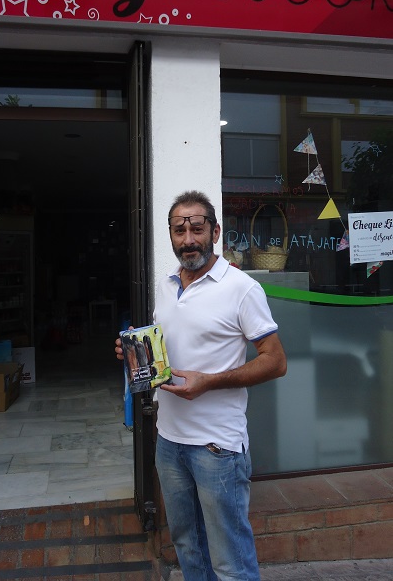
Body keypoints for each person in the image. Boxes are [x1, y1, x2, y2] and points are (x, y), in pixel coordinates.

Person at [115, 190, 287, 581]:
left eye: (196, 228)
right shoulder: (165, 285)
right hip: (169, 442)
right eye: (179, 229)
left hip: (217, 448)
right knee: (188, 549)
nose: (188, 238)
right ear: (171, 235)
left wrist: (209, 382)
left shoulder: (241, 288)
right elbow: (169, 347)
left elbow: (276, 362)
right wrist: (134, 351)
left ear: (215, 231)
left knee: (230, 561)